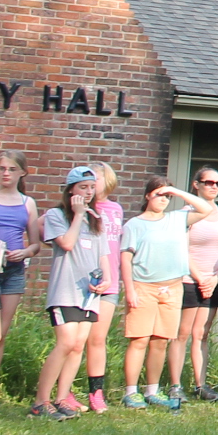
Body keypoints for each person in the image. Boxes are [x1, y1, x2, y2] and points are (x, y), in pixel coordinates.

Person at [119, 175, 218, 410]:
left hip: (172, 288)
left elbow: (205, 209)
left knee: (161, 341)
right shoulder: (135, 224)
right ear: (147, 196)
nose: (163, 199)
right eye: (158, 194)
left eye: (167, 196)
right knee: (140, 340)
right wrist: (130, 290)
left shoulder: (177, 218)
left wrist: (177, 192)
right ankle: (131, 392)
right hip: (144, 287)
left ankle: (152, 390)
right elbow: (125, 258)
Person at [33, 167, 105, 419]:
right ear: (70, 190)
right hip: (65, 291)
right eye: (82, 187)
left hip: (89, 294)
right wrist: (78, 215)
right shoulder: (56, 215)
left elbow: (102, 255)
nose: (88, 192)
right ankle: (40, 402)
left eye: (91, 187)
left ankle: (62, 398)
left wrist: (106, 280)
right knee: (65, 343)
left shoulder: (95, 218)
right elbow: (66, 243)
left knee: (77, 346)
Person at [0, 154, 40, 415]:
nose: (6, 173)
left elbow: (35, 244)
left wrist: (24, 252)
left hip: (12, 272)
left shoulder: (27, 203)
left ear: (22, 172)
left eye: (12, 169)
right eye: (2, 168)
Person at [167, 164, 218, 403]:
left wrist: (215, 278)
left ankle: (200, 384)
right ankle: (175, 385)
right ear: (196, 185)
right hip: (189, 279)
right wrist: (199, 277)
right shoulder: (186, 214)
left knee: (201, 334)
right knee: (182, 333)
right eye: (209, 182)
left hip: (214, 281)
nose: (214, 187)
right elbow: (182, 249)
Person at [80, 163, 125, 415]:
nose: (91, 185)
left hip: (110, 282)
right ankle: (63, 392)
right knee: (76, 341)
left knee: (98, 339)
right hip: (83, 282)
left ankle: (96, 393)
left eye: (95, 179)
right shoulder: (81, 208)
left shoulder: (116, 209)